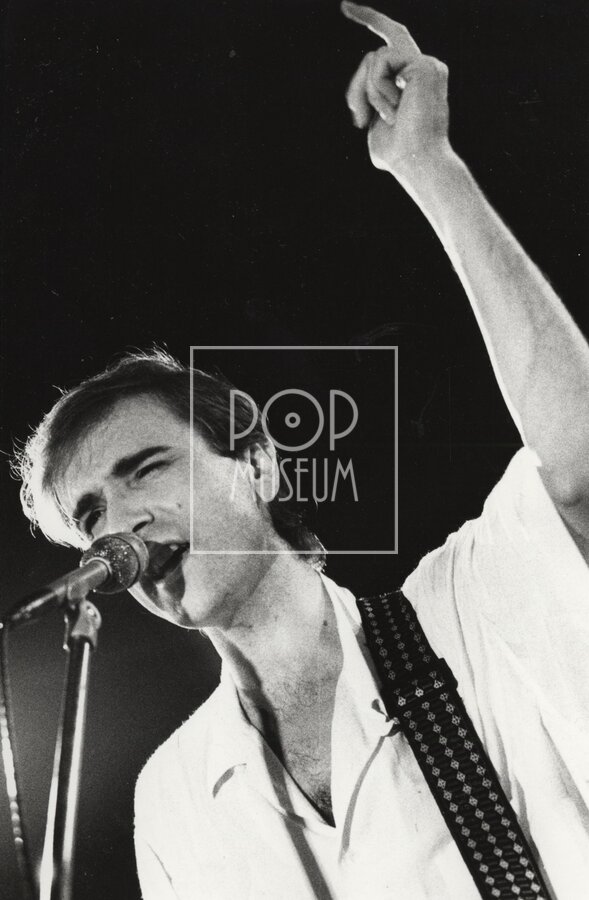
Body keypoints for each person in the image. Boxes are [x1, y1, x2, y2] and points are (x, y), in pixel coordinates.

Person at [15, 3, 589, 898]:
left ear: (257, 462)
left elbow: (579, 461)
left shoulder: (468, 603)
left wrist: (430, 168)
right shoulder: (173, 799)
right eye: (90, 514)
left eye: (146, 468)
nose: (120, 524)